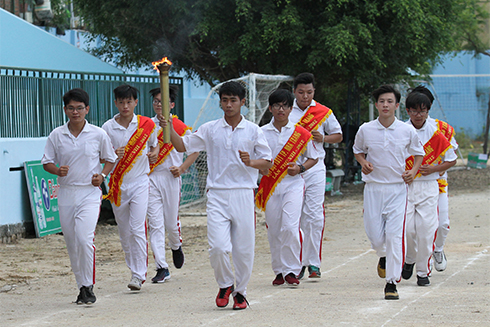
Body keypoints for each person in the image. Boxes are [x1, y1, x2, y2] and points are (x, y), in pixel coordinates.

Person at [159, 81, 272, 310]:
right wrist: (167, 127)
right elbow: (182, 147)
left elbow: (267, 163)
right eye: (224, 100)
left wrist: (251, 162)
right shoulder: (210, 128)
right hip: (217, 194)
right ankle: (225, 283)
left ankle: (241, 292)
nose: (228, 105)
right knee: (218, 247)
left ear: (243, 102)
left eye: (233, 100)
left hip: (242, 193)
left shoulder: (253, 130)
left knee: (243, 248)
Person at [42, 88, 117, 304]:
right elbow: (46, 161)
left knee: (85, 239)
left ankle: (88, 285)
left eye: (80, 108)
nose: (76, 112)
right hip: (66, 192)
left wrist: (102, 175)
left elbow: (109, 158)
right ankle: (80, 285)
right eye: (71, 108)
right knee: (72, 242)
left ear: (87, 109)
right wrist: (57, 171)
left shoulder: (98, 134)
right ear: (65, 110)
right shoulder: (57, 134)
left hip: (89, 193)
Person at [353, 85, 425, 300]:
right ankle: (382, 255)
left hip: (397, 189)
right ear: (376, 104)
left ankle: (391, 282)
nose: (385, 105)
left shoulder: (407, 130)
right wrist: (364, 163)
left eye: (389, 101)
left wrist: (412, 172)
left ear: (396, 105)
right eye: (382, 101)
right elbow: (357, 150)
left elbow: (418, 154)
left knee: (394, 235)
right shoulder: (366, 129)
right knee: (375, 235)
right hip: (373, 188)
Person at [256, 89, 318, 287]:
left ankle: (293, 269)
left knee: (290, 227)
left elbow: (314, 157)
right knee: (274, 229)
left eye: (285, 106)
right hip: (270, 186)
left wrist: (300, 168)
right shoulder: (261, 132)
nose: (280, 110)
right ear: (270, 108)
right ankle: (279, 271)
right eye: (276, 106)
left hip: (293, 184)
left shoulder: (301, 133)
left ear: (291, 108)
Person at [102, 84, 159, 291]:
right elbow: (101, 154)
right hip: (118, 184)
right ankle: (132, 267)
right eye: (121, 102)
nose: (125, 106)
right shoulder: (107, 127)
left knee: (137, 228)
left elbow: (154, 145)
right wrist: (112, 154)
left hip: (140, 182)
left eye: (129, 101)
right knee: (125, 231)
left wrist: (154, 153)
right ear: (115, 102)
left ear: (136, 102)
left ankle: (139, 274)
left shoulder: (144, 125)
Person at [289, 73, 342, 279]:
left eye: (309, 92)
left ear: (314, 92)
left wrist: (324, 138)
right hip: (292, 168)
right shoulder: (286, 110)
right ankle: (298, 261)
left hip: (315, 168)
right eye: (301, 92)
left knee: (314, 215)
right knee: (296, 216)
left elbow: (338, 135)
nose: (305, 96)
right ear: (294, 92)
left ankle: (313, 262)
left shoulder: (323, 112)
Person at [401, 91, 457, 286]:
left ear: (427, 111)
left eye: (422, 111)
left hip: (429, 185)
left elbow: (451, 159)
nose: (418, 115)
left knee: (426, 230)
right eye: (414, 111)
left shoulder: (436, 132)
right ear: (407, 111)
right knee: (407, 229)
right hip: (405, 186)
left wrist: (434, 168)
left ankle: (423, 272)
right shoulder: (400, 130)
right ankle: (409, 260)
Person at [147, 86, 198, 283]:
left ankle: (176, 245)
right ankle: (161, 266)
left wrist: (183, 167)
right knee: (155, 223)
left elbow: (194, 150)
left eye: (164, 102)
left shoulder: (178, 126)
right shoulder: (147, 125)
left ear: (172, 104)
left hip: (171, 176)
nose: (159, 105)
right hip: (151, 177)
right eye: (156, 101)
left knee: (170, 222)